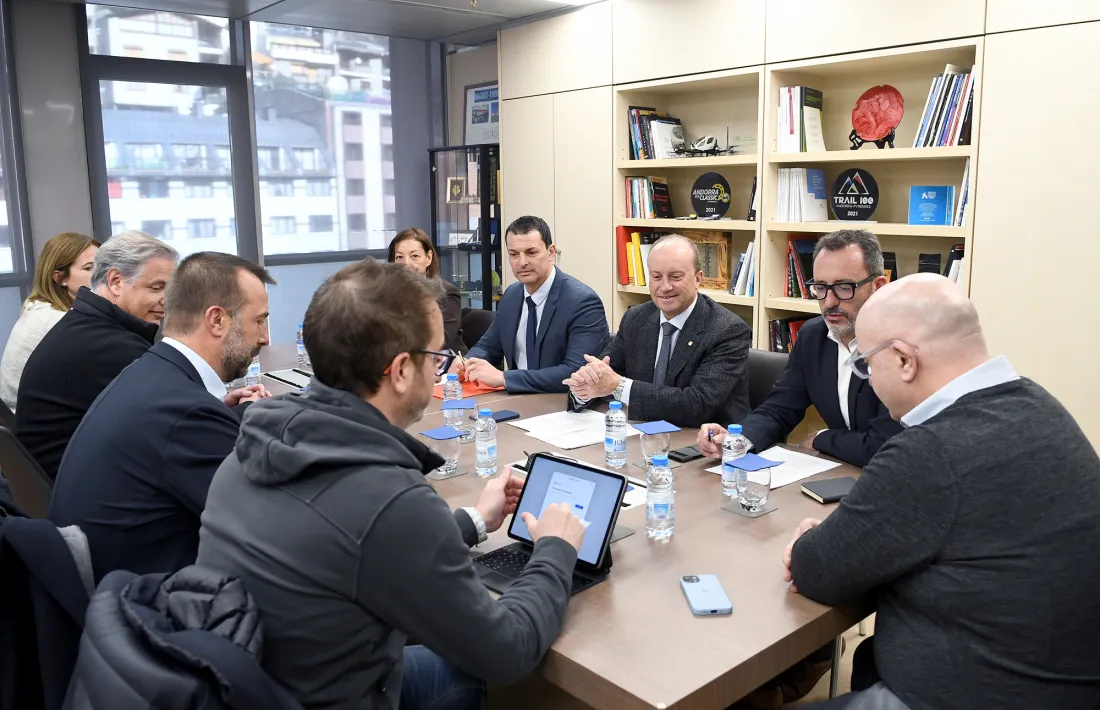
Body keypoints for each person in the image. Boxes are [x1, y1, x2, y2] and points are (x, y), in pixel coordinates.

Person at [197, 259, 588, 710]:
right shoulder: (387, 497)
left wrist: (475, 521)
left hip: (253, 685)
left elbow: (351, 543)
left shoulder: (256, 441)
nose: (441, 372)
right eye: (437, 358)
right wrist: (555, 551)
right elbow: (508, 650)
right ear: (401, 370)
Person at [787, 274, 1100, 710]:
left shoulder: (931, 449)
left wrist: (809, 540)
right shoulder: (1036, 402)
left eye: (866, 365)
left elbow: (817, 570)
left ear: (903, 361)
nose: (870, 381)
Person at [50, 252, 272, 582]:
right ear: (216, 320)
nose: (265, 337)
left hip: (107, 592)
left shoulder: (152, 372)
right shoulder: (185, 413)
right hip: (152, 612)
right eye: (258, 321)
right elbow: (267, 524)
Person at [697, 229, 902, 467]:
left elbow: (883, 447)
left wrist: (823, 438)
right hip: (839, 472)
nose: (829, 302)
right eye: (821, 287)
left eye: (844, 287)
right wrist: (736, 441)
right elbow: (778, 409)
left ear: (878, 286)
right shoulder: (813, 336)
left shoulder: (899, 346)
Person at [15, 231, 178, 480]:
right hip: (80, 492)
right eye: (156, 288)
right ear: (114, 281)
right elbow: (177, 422)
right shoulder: (110, 346)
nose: (166, 301)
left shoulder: (84, 324)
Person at [564, 234, 750, 428]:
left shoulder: (728, 330)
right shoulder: (636, 319)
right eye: (656, 277)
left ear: (698, 279)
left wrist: (618, 386)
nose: (665, 287)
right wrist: (583, 389)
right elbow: (604, 375)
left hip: (707, 443)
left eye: (676, 277)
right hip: (644, 434)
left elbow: (697, 405)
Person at [454, 215, 609, 394]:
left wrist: (503, 378)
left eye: (531, 252)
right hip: (516, 399)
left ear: (551, 252)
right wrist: (468, 362)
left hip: (561, 403)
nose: (522, 262)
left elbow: (575, 372)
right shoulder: (512, 295)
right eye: (513, 254)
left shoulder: (582, 302)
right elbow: (487, 346)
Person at [0, 232, 100, 412]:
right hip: (35, 428)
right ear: (60, 278)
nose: (100, 275)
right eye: (88, 268)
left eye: (103, 266)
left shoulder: (38, 307)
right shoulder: (56, 321)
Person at [388, 227, 466, 354]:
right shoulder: (388, 295)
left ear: (428, 258)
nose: (406, 264)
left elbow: (441, 342)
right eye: (399, 257)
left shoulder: (446, 293)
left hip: (444, 366)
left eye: (414, 256)